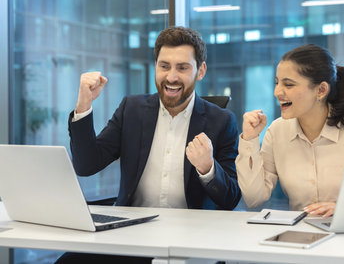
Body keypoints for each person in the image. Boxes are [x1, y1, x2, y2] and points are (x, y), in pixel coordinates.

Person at [56, 26, 240, 263]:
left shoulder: (221, 121)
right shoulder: (131, 109)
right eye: (164, 66)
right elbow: (86, 165)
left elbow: (231, 199)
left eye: (182, 68)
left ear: (200, 71)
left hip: (190, 238)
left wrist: (208, 169)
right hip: (130, 235)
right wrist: (83, 106)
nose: (171, 77)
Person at [236, 44, 344, 218]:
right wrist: (250, 140)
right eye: (277, 83)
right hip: (300, 234)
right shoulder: (277, 131)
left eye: (289, 85)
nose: (277, 92)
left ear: (321, 90)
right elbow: (254, 198)